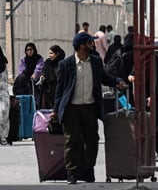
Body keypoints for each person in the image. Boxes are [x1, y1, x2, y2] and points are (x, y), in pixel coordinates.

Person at [53, 32, 127, 184]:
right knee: (72, 141)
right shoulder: (66, 64)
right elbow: (59, 90)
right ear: (81, 46)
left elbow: (104, 78)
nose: (93, 45)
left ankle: (87, 170)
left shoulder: (95, 61)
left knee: (92, 140)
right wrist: (55, 111)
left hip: (90, 108)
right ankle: (72, 173)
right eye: (90, 43)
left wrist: (117, 81)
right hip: (71, 109)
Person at [38, 45, 65, 109]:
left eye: (51, 53)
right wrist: (42, 76)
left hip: (57, 91)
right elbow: (43, 72)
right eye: (49, 53)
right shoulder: (47, 62)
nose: (50, 55)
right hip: (47, 91)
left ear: (57, 54)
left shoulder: (62, 64)